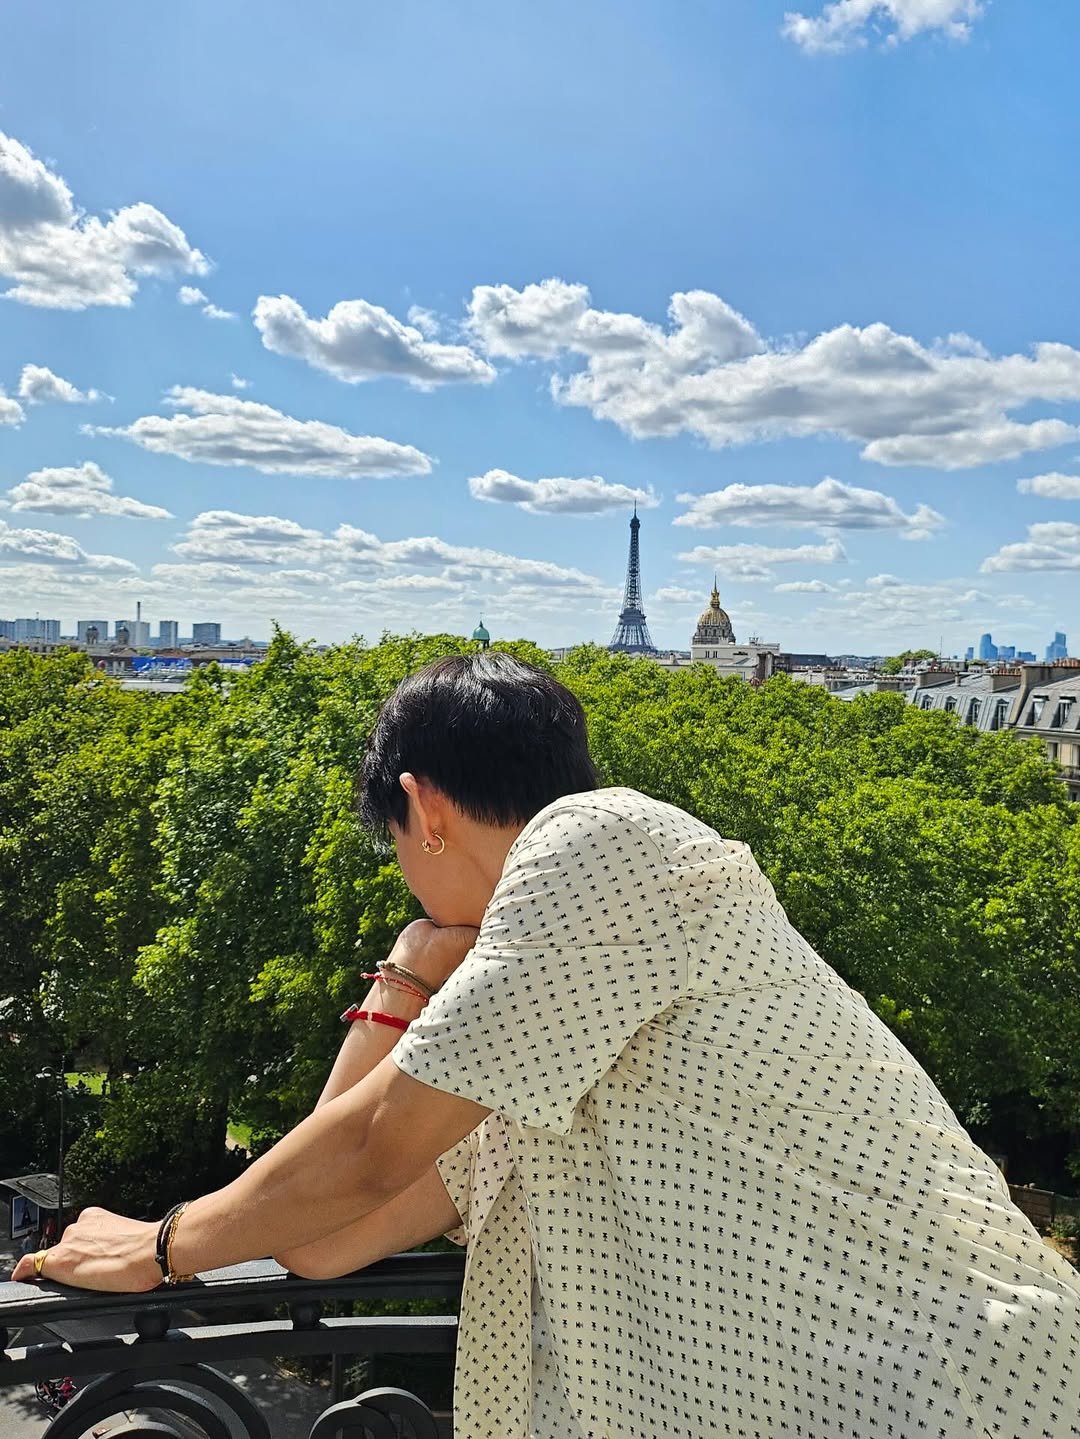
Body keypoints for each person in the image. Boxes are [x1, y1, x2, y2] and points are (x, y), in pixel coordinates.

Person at [15, 653, 1080, 1438]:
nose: (406, 876)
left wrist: (165, 1245)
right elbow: (326, 1235)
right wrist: (407, 975)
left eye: (395, 846)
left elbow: (372, 1146)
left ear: (423, 808)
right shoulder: (531, 1039)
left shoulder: (601, 837)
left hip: (951, 1391)